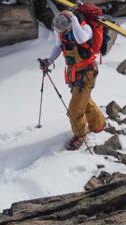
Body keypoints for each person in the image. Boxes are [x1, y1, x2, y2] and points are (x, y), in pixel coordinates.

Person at [38, 9, 106, 149]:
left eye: (63, 30)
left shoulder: (85, 28)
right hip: (73, 72)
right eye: (59, 30)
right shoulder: (61, 31)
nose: (60, 33)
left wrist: (74, 18)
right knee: (83, 101)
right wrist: (49, 61)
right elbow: (58, 46)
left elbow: (81, 39)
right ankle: (98, 124)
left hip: (87, 73)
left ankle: (80, 135)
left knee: (74, 110)